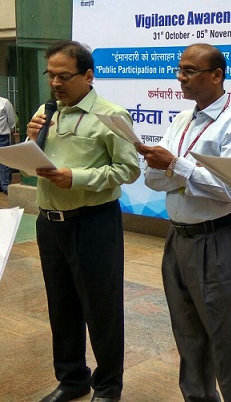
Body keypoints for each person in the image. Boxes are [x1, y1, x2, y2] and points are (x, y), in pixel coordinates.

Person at [136, 43, 231, 402]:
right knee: (187, 332)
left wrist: (176, 167)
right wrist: (185, 173)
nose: (181, 77)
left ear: (217, 75)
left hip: (219, 239)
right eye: (180, 69)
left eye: (190, 71)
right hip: (178, 238)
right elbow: (151, 177)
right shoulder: (182, 119)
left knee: (228, 338)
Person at [26, 40, 140, 402]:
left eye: (64, 76)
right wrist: (31, 142)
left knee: (101, 308)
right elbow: (36, 165)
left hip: (92, 222)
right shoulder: (47, 112)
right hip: (49, 222)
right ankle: (72, 379)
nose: (55, 83)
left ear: (88, 76)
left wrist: (76, 177)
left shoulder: (112, 115)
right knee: (61, 306)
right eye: (50, 75)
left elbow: (129, 169)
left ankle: (107, 387)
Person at [0, 94, 17, 194]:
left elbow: (12, 120)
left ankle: (5, 186)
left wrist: (10, 131)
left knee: (4, 162)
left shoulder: (5, 102)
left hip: (2, 137)